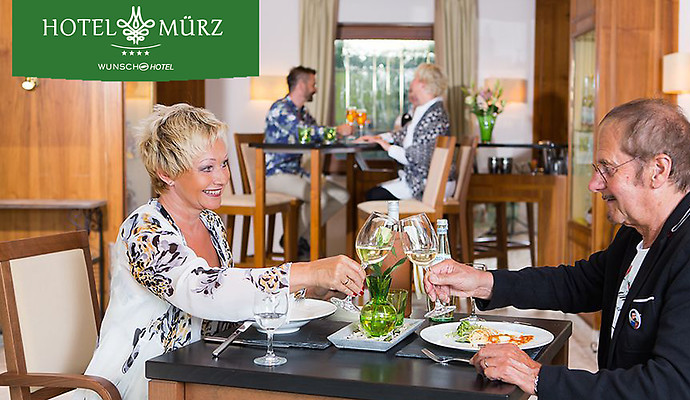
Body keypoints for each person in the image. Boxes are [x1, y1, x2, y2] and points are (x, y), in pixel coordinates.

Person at [425, 98, 690, 399]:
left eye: (607, 168)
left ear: (658, 170)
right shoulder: (639, 232)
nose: (594, 184)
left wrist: (537, 376)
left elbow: (669, 389)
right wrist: (482, 282)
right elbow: (580, 283)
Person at [80, 104, 366, 400]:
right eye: (207, 168)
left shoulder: (211, 223)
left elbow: (227, 308)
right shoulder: (144, 230)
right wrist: (306, 271)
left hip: (197, 374)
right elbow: (202, 291)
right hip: (139, 384)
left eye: (224, 163)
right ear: (166, 174)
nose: (222, 177)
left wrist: (308, 290)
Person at [263, 66, 352, 255]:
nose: (315, 89)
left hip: (296, 173)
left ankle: (297, 238)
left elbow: (319, 134)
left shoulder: (302, 112)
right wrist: (336, 131)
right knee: (320, 197)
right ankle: (294, 241)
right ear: (302, 85)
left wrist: (340, 136)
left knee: (341, 195)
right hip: (276, 174)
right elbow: (306, 133)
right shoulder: (280, 109)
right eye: (313, 84)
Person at [356, 63, 451, 201]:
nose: (412, 82)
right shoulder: (427, 110)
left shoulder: (435, 116)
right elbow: (403, 134)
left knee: (373, 195)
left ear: (423, 84)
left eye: (415, 78)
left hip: (428, 184)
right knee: (374, 192)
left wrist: (386, 146)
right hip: (422, 179)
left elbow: (415, 157)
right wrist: (378, 138)